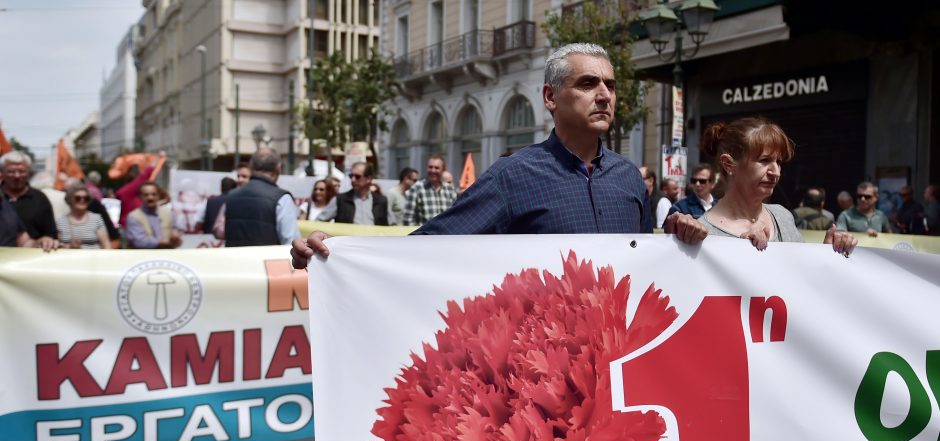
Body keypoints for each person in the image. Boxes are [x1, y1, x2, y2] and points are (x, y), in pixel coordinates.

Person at [292, 42, 705, 266]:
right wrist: (337, 251)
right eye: (587, 83)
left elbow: (645, 261)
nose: (604, 95)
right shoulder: (515, 176)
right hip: (546, 374)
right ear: (550, 97)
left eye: (610, 85)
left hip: (620, 365)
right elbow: (430, 246)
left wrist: (684, 237)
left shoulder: (630, 178)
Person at [697, 117, 856, 255]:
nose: (776, 172)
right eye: (764, 160)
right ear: (728, 164)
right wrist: (742, 253)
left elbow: (803, 278)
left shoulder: (782, 216)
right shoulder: (701, 232)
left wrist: (828, 252)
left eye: (778, 162)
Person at [220, 147, 300, 246]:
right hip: (267, 260)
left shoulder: (231, 195)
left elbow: (221, 231)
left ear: (251, 167)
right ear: (279, 168)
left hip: (233, 260)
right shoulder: (282, 198)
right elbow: (291, 242)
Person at [0, 151, 59, 251]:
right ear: (2, 173)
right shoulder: (2, 199)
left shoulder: (40, 198)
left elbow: (25, 240)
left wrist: (43, 241)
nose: (17, 176)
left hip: (30, 259)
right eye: (11, 171)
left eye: (21, 171)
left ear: (29, 172)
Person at [401, 155, 457, 226]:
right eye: (430, 167)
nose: (433, 170)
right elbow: (407, 219)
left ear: (443, 170)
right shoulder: (416, 188)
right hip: (425, 235)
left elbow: (455, 215)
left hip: (446, 235)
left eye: (437, 168)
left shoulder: (450, 190)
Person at [125, 182, 182, 249]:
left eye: (154, 194)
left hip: (166, 255)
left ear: (159, 196)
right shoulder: (133, 216)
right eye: (146, 195)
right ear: (140, 197)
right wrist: (166, 242)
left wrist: (176, 236)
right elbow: (139, 241)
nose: (150, 198)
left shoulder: (169, 213)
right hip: (143, 256)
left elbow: (177, 230)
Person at [115, 151, 164, 227]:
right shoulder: (129, 191)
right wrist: (158, 157)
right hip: (131, 228)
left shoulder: (129, 193)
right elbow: (146, 174)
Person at [56, 183, 110, 249]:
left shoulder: (96, 219)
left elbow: (106, 245)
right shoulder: (60, 221)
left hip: (93, 258)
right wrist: (70, 246)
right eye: (78, 198)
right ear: (69, 199)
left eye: (86, 198)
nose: (82, 200)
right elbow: (57, 246)